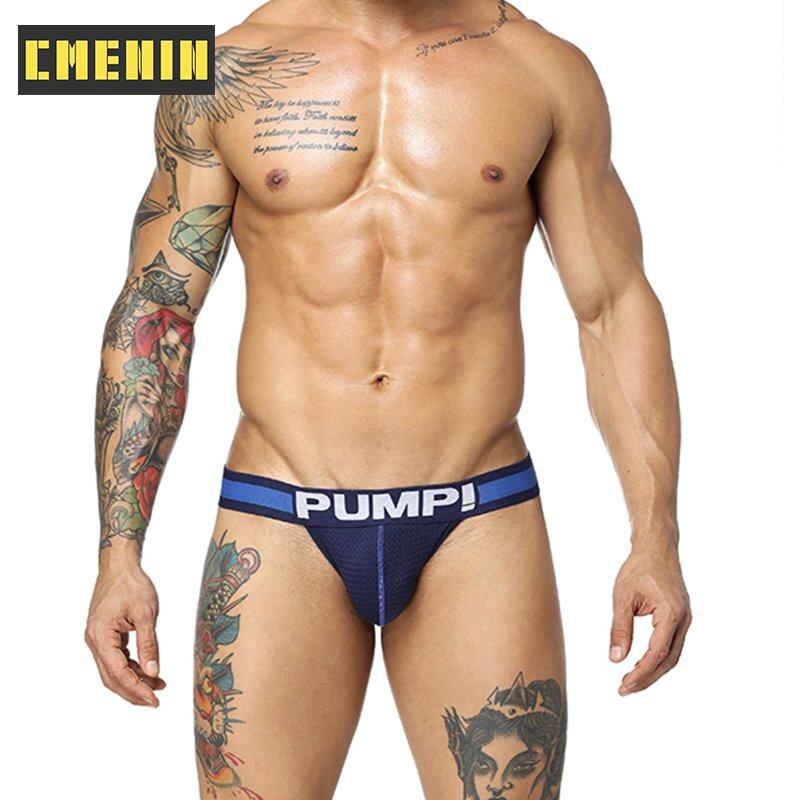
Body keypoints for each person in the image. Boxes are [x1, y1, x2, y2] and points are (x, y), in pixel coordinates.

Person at [85, 1, 692, 797]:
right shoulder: (224, 74)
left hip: (476, 516)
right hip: (280, 516)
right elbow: (159, 308)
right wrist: (119, 554)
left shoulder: (541, 69)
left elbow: (612, 306)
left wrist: (655, 536)